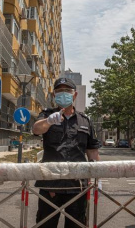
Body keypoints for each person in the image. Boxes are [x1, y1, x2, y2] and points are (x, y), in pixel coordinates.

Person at [32, 77, 101, 228]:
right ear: (54, 95)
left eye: (67, 91)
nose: (63, 94)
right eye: (59, 91)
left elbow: (92, 151)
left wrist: (98, 176)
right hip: (50, 184)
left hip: (77, 185)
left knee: (76, 225)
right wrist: (49, 122)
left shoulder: (85, 121)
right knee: (45, 224)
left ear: (74, 95)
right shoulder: (46, 115)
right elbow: (36, 129)